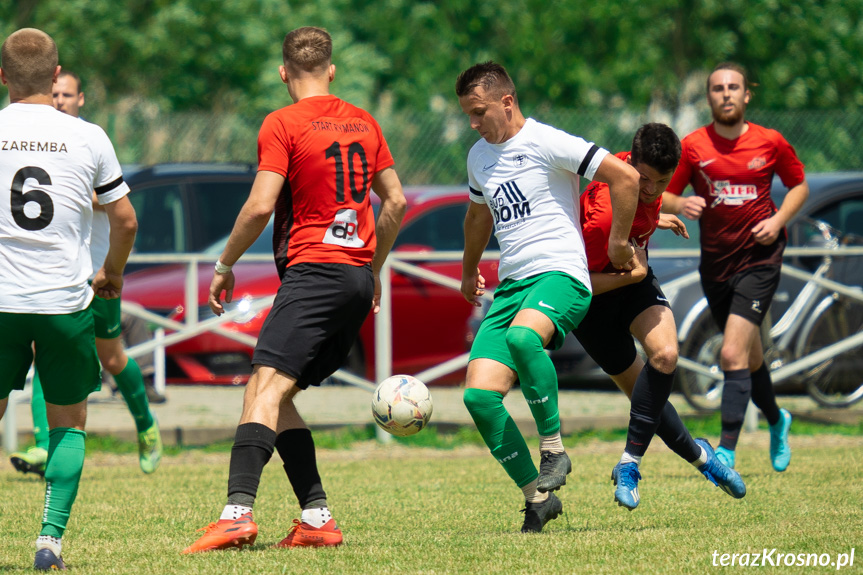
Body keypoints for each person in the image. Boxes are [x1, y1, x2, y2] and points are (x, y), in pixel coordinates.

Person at [183, 27, 406, 553]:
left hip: (314, 273)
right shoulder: (365, 121)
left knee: (261, 389)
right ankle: (317, 518)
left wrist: (224, 263)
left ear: (283, 73)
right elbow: (394, 203)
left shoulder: (282, 122)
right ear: (332, 71)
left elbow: (261, 206)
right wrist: (372, 269)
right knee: (276, 397)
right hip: (352, 278)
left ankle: (236, 513)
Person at [456, 61, 640, 533]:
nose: (474, 124)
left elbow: (626, 177)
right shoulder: (479, 156)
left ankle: (554, 448)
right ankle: (537, 497)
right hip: (513, 285)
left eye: (479, 112)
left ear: (507, 102)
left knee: (523, 340)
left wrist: (619, 243)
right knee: (478, 396)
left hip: (561, 274)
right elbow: (478, 217)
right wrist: (469, 268)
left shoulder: (546, 141)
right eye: (467, 116)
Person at [0, 28, 138, 570]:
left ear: (4, 76)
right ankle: (49, 543)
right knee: (67, 425)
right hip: (63, 300)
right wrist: (112, 273)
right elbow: (124, 219)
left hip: (1, 301)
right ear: (56, 76)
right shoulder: (88, 136)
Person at [574, 122, 746, 510]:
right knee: (646, 399)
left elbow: (645, 208)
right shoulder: (604, 216)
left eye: (662, 181)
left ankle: (629, 464)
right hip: (592, 301)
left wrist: (655, 219)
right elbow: (578, 282)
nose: (650, 189)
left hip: (632, 284)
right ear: (630, 162)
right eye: (644, 180)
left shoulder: (641, 177)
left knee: (666, 356)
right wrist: (634, 271)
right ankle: (702, 456)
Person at [8, 70, 163, 478]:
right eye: (55, 93)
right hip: (59, 279)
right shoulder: (42, 141)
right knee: (44, 350)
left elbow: (119, 208)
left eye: (67, 95)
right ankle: (45, 445)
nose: (59, 100)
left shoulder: (86, 140)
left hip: (100, 273)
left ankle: (146, 424)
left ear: (81, 99)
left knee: (111, 356)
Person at [662, 62, 808, 472]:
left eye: (733, 87)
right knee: (750, 356)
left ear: (747, 95)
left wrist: (779, 221)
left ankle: (726, 449)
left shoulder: (770, 142)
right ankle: (779, 421)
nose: (725, 94)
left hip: (760, 260)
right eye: (717, 88)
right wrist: (681, 204)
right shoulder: (693, 146)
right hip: (716, 265)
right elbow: (667, 195)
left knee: (730, 352)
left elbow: (800, 186)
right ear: (709, 97)